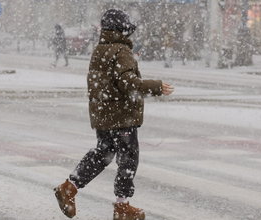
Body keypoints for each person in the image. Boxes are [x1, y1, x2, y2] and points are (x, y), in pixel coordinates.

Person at [54, 9, 174, 220]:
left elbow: (101, 83)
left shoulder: (99, 50)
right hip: (121, 115)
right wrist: (156, 86)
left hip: (103, 113)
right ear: (122, 30)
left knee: (103, 153)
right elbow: (128, 83)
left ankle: (69, 187)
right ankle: (122, 207)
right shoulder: (121, 51)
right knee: (128, 158)